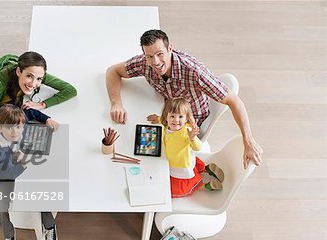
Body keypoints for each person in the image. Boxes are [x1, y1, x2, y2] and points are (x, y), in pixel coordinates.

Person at [106, 29, 262, 169]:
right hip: (167, 114)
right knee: (135, 143)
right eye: (149, 56)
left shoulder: (194, 72)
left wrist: (248, 142)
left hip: (188, 124)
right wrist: (116, 103)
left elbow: (234, 101)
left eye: (160, 54)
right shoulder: (144, 63)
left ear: (170, 49)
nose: (155, 62)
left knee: (153, 160)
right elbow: (113, 71)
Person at [0, 51, 77, 159]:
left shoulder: (35, 71)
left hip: (14, 103)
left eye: (39, 79)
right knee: (23, 142)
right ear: (19, 71)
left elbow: (70, 90)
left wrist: (42, 104)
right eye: (29, 76)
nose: (34, 83)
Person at [0, 104, 59, 240]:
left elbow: (31, 112)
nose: (15, 132)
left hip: (22, 170)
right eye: (9, 128)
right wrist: (23, 163)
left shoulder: (20, 122)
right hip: (4, 179)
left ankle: (49, 225)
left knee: (40, 188)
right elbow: (9, 174)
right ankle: (8, 234)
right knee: (0, 204)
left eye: (19, 127)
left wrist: (47, 120)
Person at [155, 98, 225, 198]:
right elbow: (163, 121)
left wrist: (192, 138)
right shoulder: (168, 126)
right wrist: (157, 118)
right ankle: (207, 169)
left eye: (180, 117)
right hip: (179, 158)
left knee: (175, 190)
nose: (176, 120)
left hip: (180, 166)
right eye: (172, 116)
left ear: (186, 118)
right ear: (166, 117)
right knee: (193, 167)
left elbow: (198, 147)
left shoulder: (187, 131)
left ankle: (204, 186)